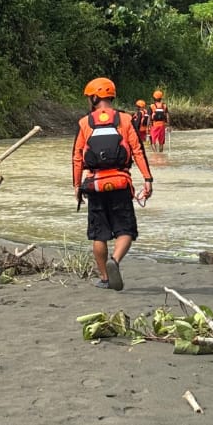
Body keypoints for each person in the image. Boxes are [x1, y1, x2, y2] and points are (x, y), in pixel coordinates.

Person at [72, 77, 153, 291]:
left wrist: (76, 186)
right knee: (125, 230)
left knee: (99, 233)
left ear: (95, 97)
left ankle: (106, 278)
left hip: (95, 184)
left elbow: (77, 157)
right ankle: (115, 260)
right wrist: (147, 179)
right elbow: (137, 151)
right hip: (120, 182)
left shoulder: (84, 123)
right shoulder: (125, 120)